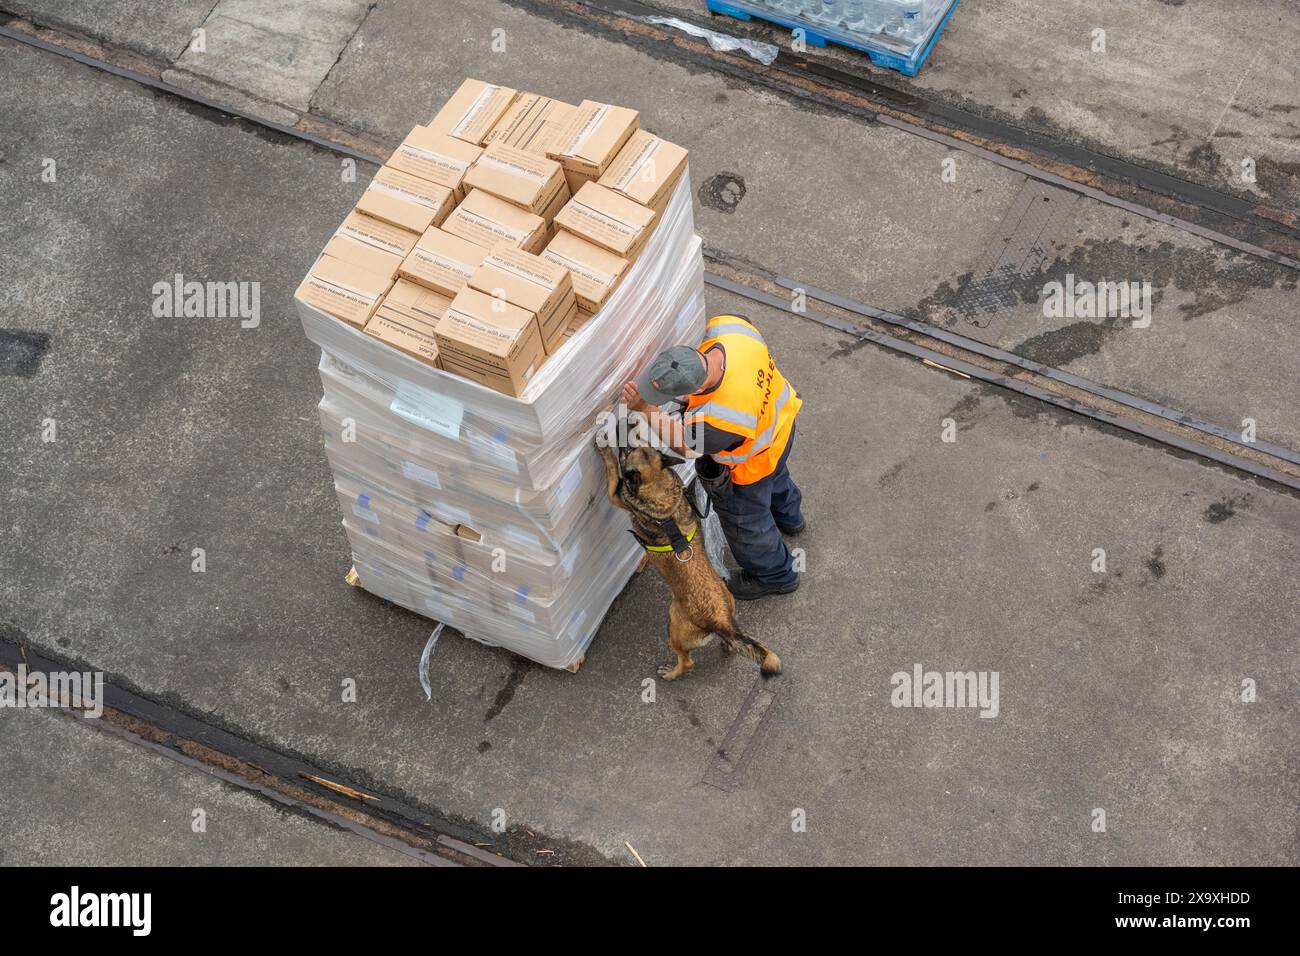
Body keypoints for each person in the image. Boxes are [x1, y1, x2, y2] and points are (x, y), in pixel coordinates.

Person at [622, 313, 805, 600]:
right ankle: (791, 517)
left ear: (696, 389)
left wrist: (646, 409)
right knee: (779, 481)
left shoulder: (719, 419)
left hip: (752, 465)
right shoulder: (728, 329)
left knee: (746, 522)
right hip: (780, 427)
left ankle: (776, 575)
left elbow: (685, 446)